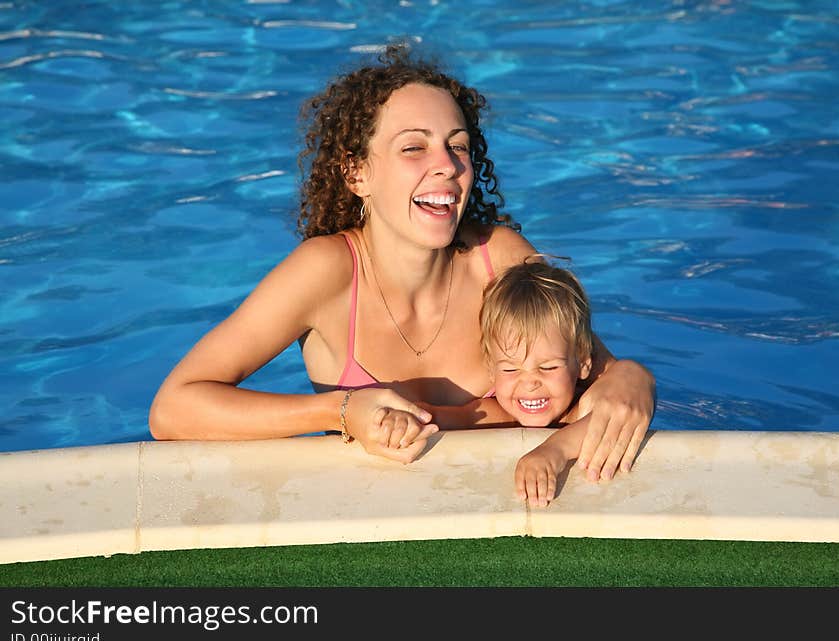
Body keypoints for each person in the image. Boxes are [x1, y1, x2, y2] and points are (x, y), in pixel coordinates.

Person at [148, 43, 655, 480]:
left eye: (458, 147)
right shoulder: (326, 273)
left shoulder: (496, 259)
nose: (447, 164)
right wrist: (342, 411)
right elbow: (173, 408)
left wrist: (635, 377)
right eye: (414, 147)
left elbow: (596, 373)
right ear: (357, 174)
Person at [478, 258, 597, 507]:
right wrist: (402, 423)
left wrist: (556, 450)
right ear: (491, 370)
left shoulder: (582, 412)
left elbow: (610, 422)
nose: (530, 382)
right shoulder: (490, 415)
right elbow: (435, 417)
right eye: (510, 368)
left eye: (548, 367)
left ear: (583, 362)